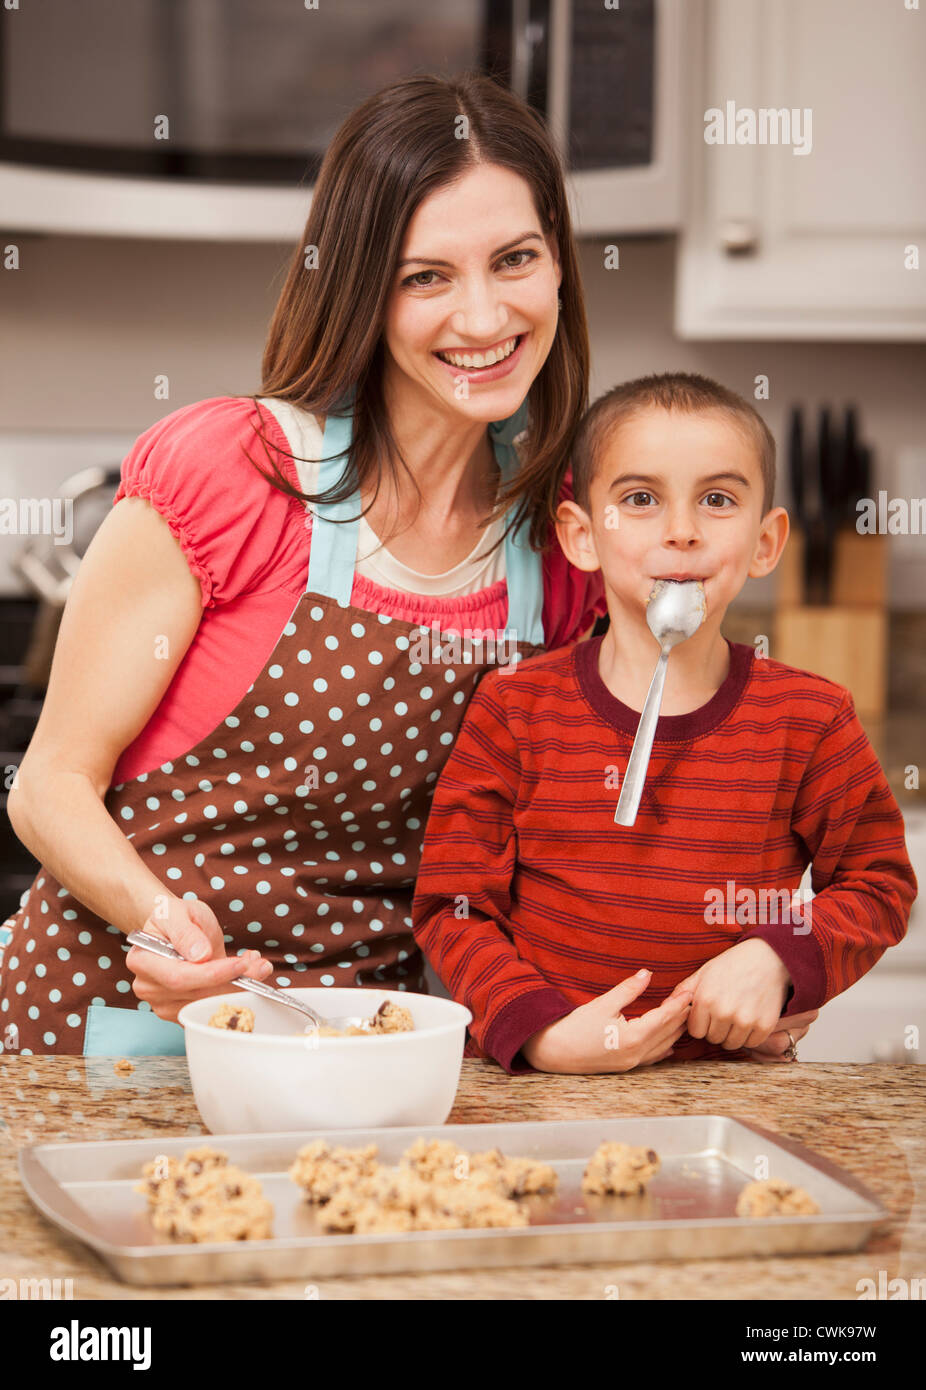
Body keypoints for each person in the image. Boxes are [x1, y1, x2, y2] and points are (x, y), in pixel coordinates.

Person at [0, 72, 607, 1056]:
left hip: (355, 1060)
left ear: (558, 267)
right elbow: (50, 782)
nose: (485, 316)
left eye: (515, 259)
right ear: (362, 286)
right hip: (106, 1038)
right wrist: (163, 922)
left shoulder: (563, 536)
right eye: (426, 277)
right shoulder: (231, 473)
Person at [411, 372, 918, 1075]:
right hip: (540, 1088)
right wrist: (543, 1036)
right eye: (641, 500)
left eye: (717, 500)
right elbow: (453, 907)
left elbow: (878, 884)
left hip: (731, 1093)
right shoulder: (512, 709)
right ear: (582, 537)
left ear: (767, 543)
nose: (682, 532)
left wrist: (777, 956)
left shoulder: (811, 719)